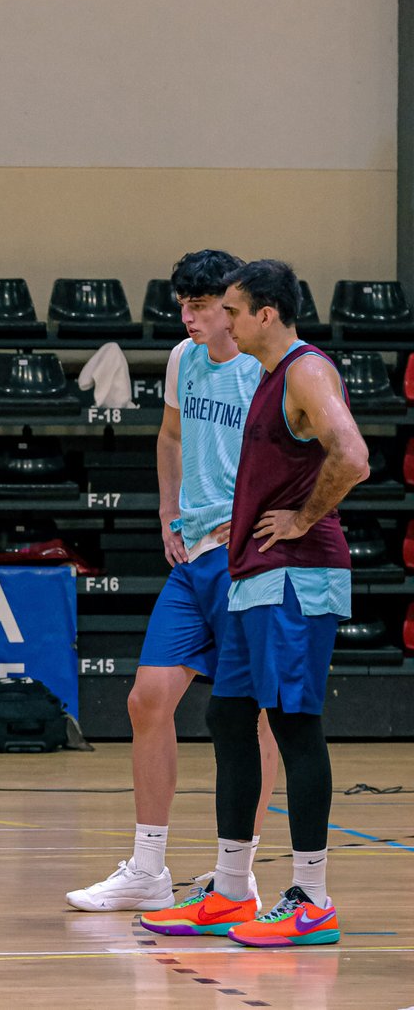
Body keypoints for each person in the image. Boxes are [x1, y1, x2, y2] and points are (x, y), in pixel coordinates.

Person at [143, 259, 367, 947]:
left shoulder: (304, 369)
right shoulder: (270, 377)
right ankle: (232, 887)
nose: (225, 322)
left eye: (233, 310)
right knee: (229, 713)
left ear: (265, 313)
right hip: (253, 571)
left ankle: (312, 897)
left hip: (296, 573)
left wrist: (302, 517)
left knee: (294, 724)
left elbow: (353, 455)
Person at [67, 250, 279, 913]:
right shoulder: (186, 360)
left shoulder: (267, 370)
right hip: (195, 559)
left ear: (232, 306)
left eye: (199, 305)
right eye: (181, 305)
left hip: (249, 558)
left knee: (255, 718)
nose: (186, 317)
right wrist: (168, 510)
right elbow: (168, 435)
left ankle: (238, 872)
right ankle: (148, 868)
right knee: (146, 698)